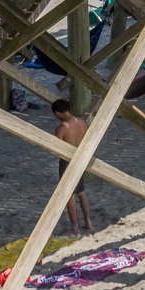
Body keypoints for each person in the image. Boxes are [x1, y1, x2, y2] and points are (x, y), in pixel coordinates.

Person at [52, 100, 92, 235]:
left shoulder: (61, 128)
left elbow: (57, 148)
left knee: (69, 194)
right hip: (81, 158)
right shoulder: (82, 122)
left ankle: (75, 226)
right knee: (81, 191)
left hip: (67, 161)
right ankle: (88, 221)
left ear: (57, 113)